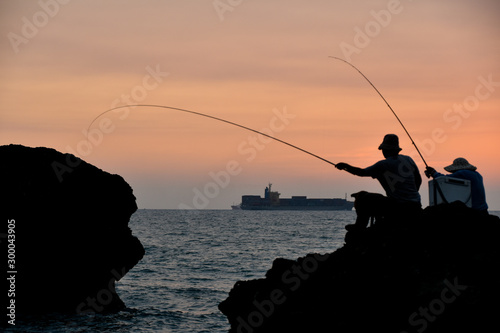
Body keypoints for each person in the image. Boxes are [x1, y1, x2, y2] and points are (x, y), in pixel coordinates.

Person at [336, 134, 422, 227]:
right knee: (381, 198)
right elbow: (419, 180)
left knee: (363, 196)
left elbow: (361, 172)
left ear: (385, 150)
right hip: (415, 205)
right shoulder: (408, 159)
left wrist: (345, 166)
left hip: (398, 207)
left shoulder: (382, 165)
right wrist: (409, 195)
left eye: (383, 149)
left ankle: (360, 226)